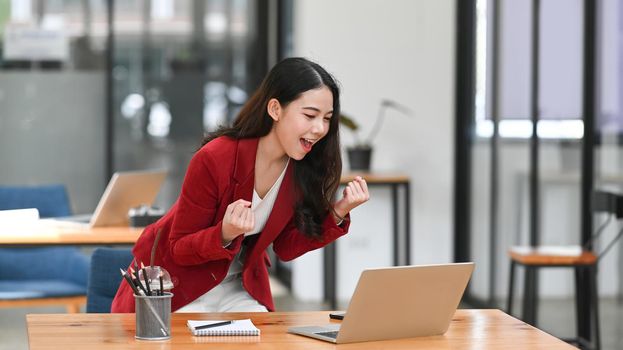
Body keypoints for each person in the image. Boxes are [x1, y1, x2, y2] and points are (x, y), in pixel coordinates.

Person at [111, 57, 370, 313]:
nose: (319, 128)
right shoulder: (215, 158)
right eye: (310, 115)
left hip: (236, 289)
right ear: (275, 109)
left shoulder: (301, 168)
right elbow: (180, 248)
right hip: (180, 286)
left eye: (327, 118)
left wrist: (338, 211)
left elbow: (286, 248)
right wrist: (224, 233)